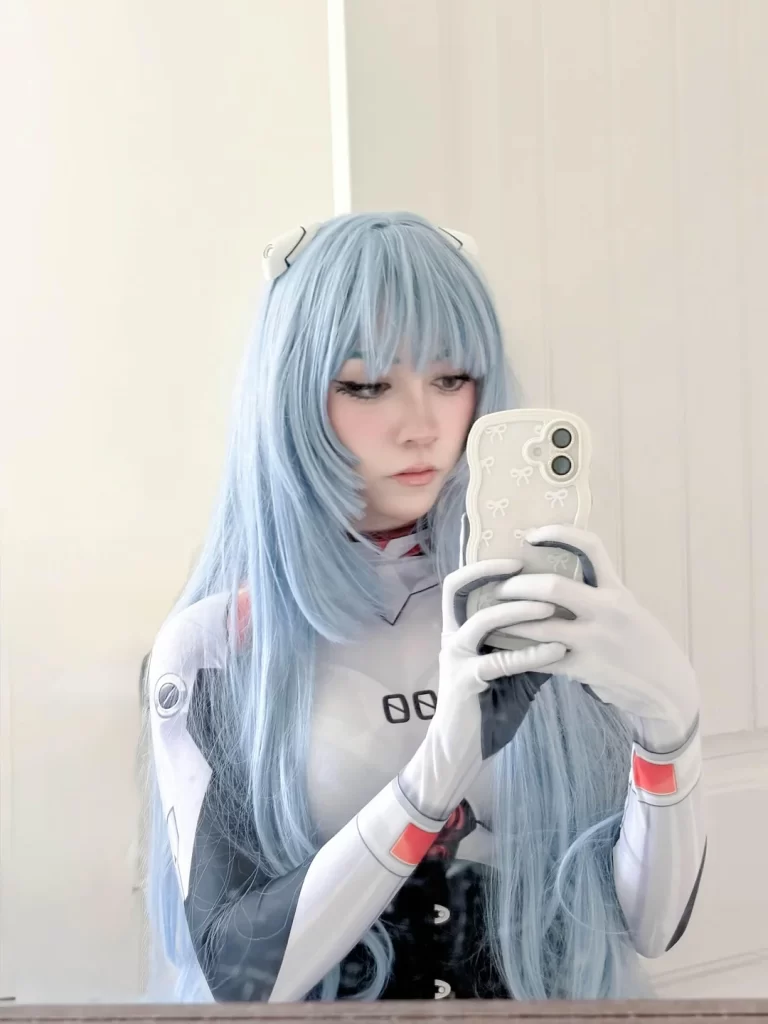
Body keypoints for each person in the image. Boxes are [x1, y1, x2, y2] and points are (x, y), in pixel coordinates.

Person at [143, 211, 706, 1003]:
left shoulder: (532, 605)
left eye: (450, 378)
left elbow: (650, 928)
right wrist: (438, 769)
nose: (422, 426)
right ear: (289, 393)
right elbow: (238, 974)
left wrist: (671, 723)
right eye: (367, 384)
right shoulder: (219, 648)